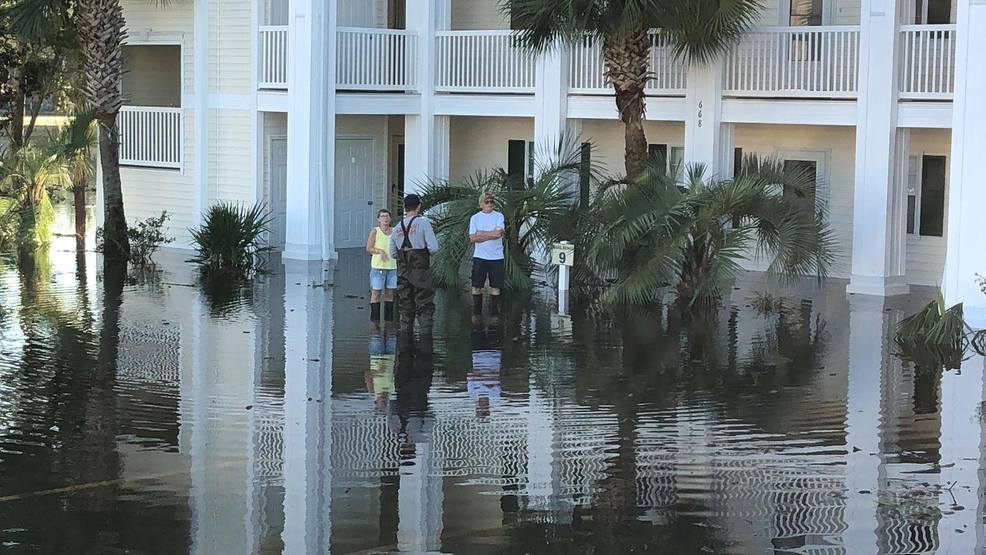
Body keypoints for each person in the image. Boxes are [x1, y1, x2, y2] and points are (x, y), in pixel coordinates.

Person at [390, 194, 439, 332]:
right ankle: (425, 340)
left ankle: (405, 343)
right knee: (424, 303)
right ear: (419, 206)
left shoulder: (397, 227)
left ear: (405, 208)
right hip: (420, 270)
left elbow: (393, 253)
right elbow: (434, 248)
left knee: (405, 305)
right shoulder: (424, 223)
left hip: (403, 271)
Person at [468, 191, 506, 317]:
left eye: (491, 202)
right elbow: (472, 238)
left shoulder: (499, 216)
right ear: (481, 204)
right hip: (480, 256)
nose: (490, 204)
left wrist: (481, 234)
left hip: (496, 257)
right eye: (487, 202)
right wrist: (491, 234)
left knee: (495, 287)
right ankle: (476, 315)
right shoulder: (475, 218)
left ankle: (494, 316)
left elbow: (498, 234)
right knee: (476, 286)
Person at [366, 209, 398, 322]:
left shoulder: (394, 231)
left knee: (390, 293)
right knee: (376, 293)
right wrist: (380, 251)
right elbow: (369, 248)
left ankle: (389, 321)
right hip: (378, 267)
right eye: (383, 216)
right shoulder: (375, 231)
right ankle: (375, 321)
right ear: (379, 219)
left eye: (387, 216)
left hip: (392, 267)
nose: (385, 218)